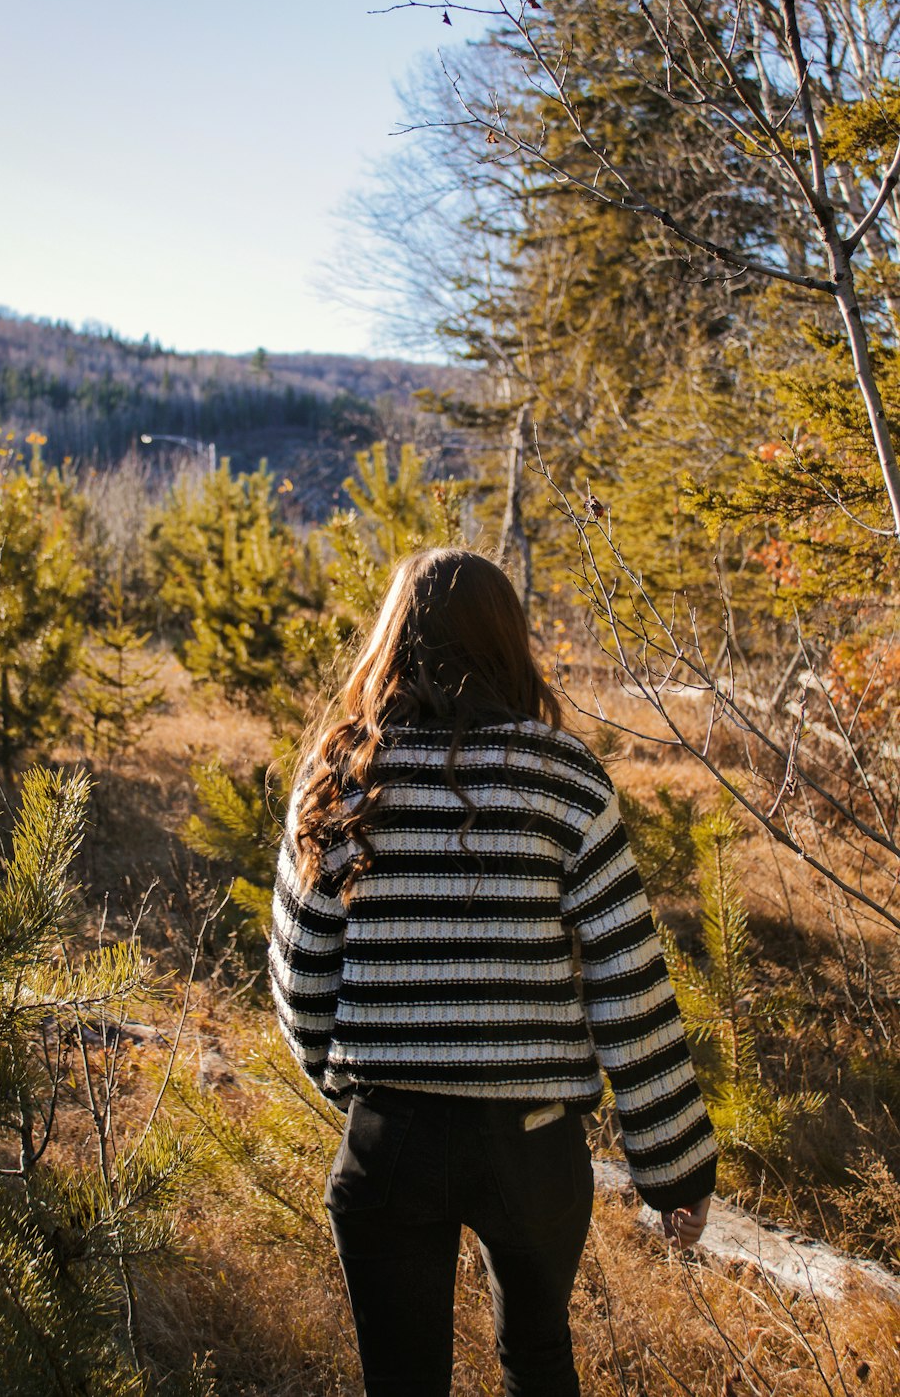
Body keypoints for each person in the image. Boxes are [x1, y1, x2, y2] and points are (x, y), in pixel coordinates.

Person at [269, 549, 717, 1397]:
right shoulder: (565, 778)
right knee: (540, 1365)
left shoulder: (342, 776)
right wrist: (676, 1166)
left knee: (400, 1383)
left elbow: (300, 975)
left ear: (391, 640)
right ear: (507, 640)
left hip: (390, 1138)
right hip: (534, 1143)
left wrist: (365, 1091)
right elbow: (631, 982)